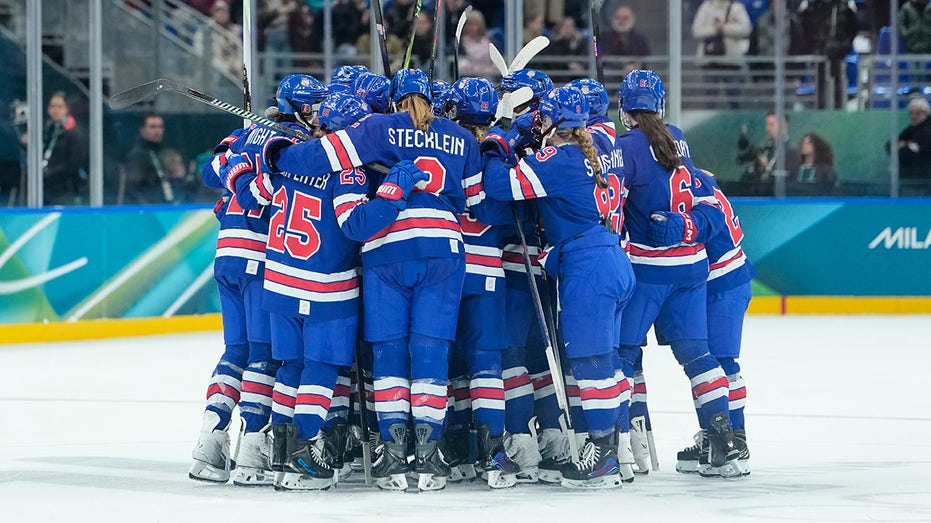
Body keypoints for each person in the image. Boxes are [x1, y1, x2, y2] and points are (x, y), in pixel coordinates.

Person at [257, 68, 478, 493]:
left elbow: (317, 158)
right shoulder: (462, 138)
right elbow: (475, 202)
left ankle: (393, 456)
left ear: (393, 100)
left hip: (386, 247)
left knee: (389, 352)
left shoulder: (378, 126)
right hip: (444, 247)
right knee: (430, 351)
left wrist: (277, 154)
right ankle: (429, 457)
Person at [482, 86, 635, 489]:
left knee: (590, 363)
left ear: (552, 121)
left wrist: (498, 141)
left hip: (588, 266)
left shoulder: (560, 158)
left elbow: (499, 185)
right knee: (608, 363)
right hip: (612, 255)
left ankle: (603, 458)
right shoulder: (598, 146)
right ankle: (616, 451)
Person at [613, 69, 742, 478]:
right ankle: (724, 443)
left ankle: (622, 449)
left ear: (624, 108)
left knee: (623, 355)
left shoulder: (624, 146)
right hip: (691, 268)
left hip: (649, 270)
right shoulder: (677, 137)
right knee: (699, 357)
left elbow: (611, 204)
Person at [670, 168, 753, 477]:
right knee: (708, 364)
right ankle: (715, 437)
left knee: (722, 363)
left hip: (724, 282)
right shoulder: (694, 176)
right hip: (722, 279)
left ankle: (735, 440)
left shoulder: (686, 180)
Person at [691, 0, 753, 109]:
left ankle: (737, 119)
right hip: (710, 61)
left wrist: (725, 28)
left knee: (735, 97)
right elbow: (696, 31)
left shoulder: (736, 8)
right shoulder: (706, 7)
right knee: (710, 96)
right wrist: (715, 28)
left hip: (731, 61)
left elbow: (746, 29)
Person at [796, 0, 859, 109]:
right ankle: (820, 112)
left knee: (838, 86)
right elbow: (801, 28)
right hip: (818, 56)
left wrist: (843, 46)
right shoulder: (809, 5)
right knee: (820, 87)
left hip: (839, 55)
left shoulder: (846, 5)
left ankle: (839, 112)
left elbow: (853, 28)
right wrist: (812, 47)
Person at [39, 91, 86, 206]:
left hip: (66, 189)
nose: (56, 110)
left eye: (60, 107)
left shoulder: (74, 132)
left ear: (67, 109)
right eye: (52, 106)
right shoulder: (47, 130)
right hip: (47, 187)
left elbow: (74, 164)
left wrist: (51, 174)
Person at [737, 111, 801, 196]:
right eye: (767, 125)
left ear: (783, 125)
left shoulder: (791, 150)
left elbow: (788, 180)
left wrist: (767, 166)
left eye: (771, 125)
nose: (768, 129)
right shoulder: (763, 147)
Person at [122, 112, 175, 204]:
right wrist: (147, 208)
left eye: (160, 127)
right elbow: (134, 188)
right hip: (148, 208)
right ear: (142, 130)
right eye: (152, 127)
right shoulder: (137, 154)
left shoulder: (160, 152)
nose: (157, 131)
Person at [893, 96, 931, 191]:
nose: (913, 116)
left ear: (925, 113)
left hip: (924, 180)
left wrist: (902, 146)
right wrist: (908, 145)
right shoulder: (911, 129)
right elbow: (890, 145)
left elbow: (907, 154)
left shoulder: (927, 132)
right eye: (911, 113)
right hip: (913, 179)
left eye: (917, 113)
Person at [602, 6, 652, 75]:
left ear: (632, 20)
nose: (621, 21)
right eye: (617, 18)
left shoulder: (640, 38)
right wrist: (622, 66)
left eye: (625, 18)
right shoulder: (604, 36)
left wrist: (635, 66)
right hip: (611, 74)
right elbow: (603, 58)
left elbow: (646, 57)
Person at [458, 9, 500, 79]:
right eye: (468, 25)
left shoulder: (491, 42)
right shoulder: (459, 44)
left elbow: (498, 63)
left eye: (474, 25)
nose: (470, 28)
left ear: (481, 25)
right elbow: (458, 64)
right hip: (468, 78)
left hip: (490, 78)